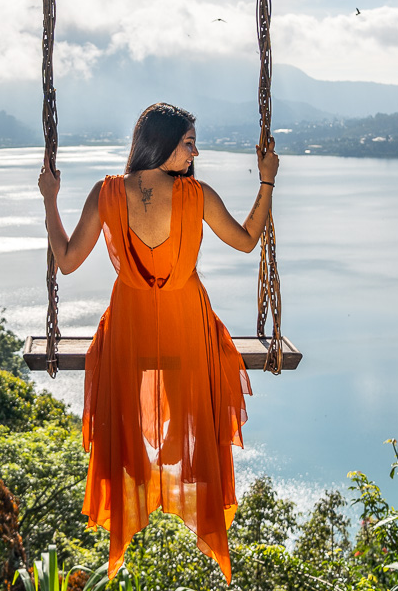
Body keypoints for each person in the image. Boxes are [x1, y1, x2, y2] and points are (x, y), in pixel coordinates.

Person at [37, 102, 279, 581]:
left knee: (125, 408)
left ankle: (141, 471)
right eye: (189, 142)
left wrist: (50, 198)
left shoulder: (106, 193)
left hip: (129, 328)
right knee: (200, 382)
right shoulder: (195, 195)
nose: (195, 151)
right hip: (186, 324)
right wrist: (267, 180)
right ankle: (174, 458)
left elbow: (65, 260)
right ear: (164, 143)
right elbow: (250, 239)